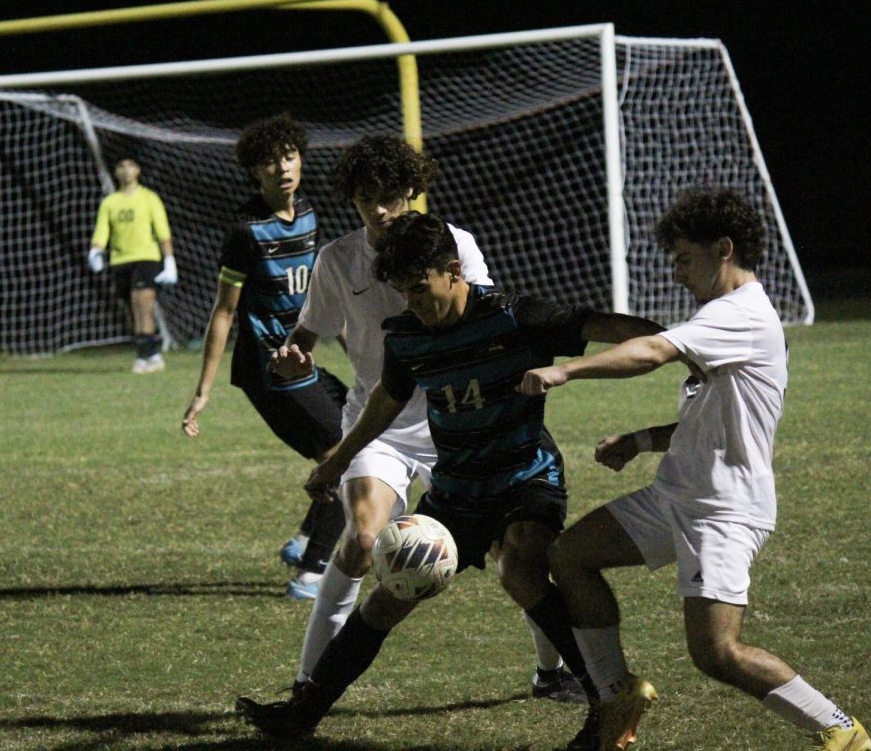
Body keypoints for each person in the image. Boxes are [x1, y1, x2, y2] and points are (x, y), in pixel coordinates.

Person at [236, 211, 666, 749]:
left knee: (521, 568)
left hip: (525, 477)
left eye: (421, 290)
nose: (414, 305)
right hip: (458, 487)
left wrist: (681, 345)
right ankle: (304, 712)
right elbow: (383, 405)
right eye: (403, 294)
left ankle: (606, 698)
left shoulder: (515, 317)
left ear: (454, 270)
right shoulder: (408, 338)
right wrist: (338, 459)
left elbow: (607, 325)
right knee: (391, 590)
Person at [520, 188, 871, 751]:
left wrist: (569, 370)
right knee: (569, 555)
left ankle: (840, 730)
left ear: (723, 249)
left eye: (684, 258)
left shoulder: (742, 314)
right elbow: (710, 421)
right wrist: (639, 440)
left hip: (725, 509)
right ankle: (617, 696)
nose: (677, 273)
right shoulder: (721, 318)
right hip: (675, 496)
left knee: (718, 654)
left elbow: (651, 351)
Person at [259, 135, 581, 701]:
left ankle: (550, 673)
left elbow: (485, 319)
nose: (378, 211)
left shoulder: (453, 244)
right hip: (378, 422)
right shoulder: (337, 260)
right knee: (361, 540)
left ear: (412, 189)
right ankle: (309, 684)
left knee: (516, 554)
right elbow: (306, 334)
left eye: (388, 196)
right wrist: (292, 357)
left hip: (458, 422)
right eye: (365, 200)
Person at [180, 114, 347, 600]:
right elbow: (224, 312)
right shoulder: (245, 231)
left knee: (354, 426)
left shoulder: (311, 214)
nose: (283, 167)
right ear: (256, 172)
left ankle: (301, 543)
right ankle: (312, 573)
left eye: (290, 156)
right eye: (271, 162)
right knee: (348, 454)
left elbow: (315, 294)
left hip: (302, 360)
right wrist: (202, 393)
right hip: (269, 369)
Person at [88, 156, 177, 374]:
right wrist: (95, 251)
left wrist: (169, 260)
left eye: (130, 165)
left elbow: (162, 231)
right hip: (120, 261)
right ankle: (152, 353)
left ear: (138, 170)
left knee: (142, 303)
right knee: (131, 310)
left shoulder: (149, 198)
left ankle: (144, 355)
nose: (126, 170)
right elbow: (102, 231)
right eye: (121, 166)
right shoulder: (110, 202)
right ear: (116, 172)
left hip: (146, 258)